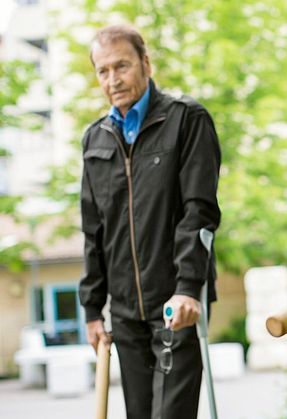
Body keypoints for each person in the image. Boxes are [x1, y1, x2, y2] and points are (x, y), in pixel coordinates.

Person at [78, 24, 221, 419]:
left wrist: (190, 287)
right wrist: (92, 309)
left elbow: (200, 212)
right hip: (124, 314)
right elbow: (93, 231)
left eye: (121, 66)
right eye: (103, 71)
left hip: (176, 304)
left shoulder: (186, 120)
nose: (113, 79)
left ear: (145, 62)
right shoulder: (96, 140)